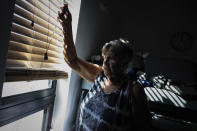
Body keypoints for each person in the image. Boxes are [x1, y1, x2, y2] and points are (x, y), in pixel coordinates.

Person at [58, 4, 152, 131]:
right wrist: (67, 26)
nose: (105, 62)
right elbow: (72, 60)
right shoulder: (100, 76)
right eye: (104, 57)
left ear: (124, 62)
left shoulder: (134, 91)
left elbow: (144, 128)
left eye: (111, 58)